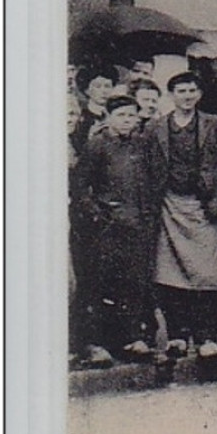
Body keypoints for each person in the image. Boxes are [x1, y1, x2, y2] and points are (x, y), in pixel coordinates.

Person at [146, 71, 217, 360]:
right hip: (169, 207)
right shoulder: (156, 128)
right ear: (171, 95)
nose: (187, 96)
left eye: (192, 90)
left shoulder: (214, 125)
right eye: (181, 91)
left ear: (199, 94)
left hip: (203, 210)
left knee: (210, 275)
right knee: (170, 274)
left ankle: (209, 337)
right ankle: (177, 336)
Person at [75, 94, 159, 366]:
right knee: (103, 284)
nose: (127, 121)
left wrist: (148, 213)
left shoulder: (143, 144)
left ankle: (133, 338)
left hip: (139, 225)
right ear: (109, 117)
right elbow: (80, 187)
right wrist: (98, 215)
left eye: (132, 116)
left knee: (134, 284)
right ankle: (98, 343)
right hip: (109, 228)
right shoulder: (97, 145)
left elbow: (154, 179)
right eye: (121, 115)